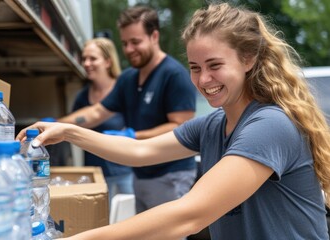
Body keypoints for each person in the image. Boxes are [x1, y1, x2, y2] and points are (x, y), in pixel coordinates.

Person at [16, 2, 330, 239]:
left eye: (215, 65)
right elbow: (140, 151)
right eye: (195, 67)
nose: (204, 79)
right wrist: (69, 132)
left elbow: (190, 214)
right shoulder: (213, 125)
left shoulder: (269, 125)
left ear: (248, 59)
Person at [19, 5, 197, 214]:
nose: (129, 49)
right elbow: (95, 113)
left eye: (135, 42)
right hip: (141, 172)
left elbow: (182, 127)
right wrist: (58, 123)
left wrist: (133, 135)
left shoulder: (174, 75)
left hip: (170, 173)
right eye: (124, 43)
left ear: (154, 36)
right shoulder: (128, 79)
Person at [72, 37, 133, 201]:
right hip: (95, 174)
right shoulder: (82, 97)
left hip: (124, 173)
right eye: (84, 58)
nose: (86, 63)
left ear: (107, 62)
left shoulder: (124, 91)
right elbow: (75, 127)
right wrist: (55, 124)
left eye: (92, 58)